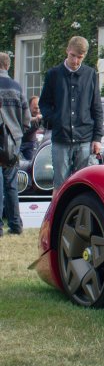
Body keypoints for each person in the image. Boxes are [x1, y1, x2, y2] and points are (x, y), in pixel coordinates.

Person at [39, 36, 103, 190]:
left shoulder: (90, 74)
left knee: (84, 185)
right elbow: (44, 103)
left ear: (84, 56)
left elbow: (96, 107)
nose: (75, 61)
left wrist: (97, 138)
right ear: (67, 51)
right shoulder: (53, 74)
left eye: (79, 57)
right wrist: (55, 119)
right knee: (60, 186)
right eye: (73, 56)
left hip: (85, 138)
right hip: (61, 138)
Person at [0, 52, 31, 235]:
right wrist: (18, 134)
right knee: (11, 183)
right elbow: (27, 119)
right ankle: (15, 224)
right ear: (8, 66)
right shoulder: (18, 87)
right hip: (14, 141)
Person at [20, 96, 42, 160]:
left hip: (31, 143)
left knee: (32, 161)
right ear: (29, 107)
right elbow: (25, 119)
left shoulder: (40, 115)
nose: (37, 110)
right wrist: (35, 118)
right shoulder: (24, 113)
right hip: (20, 142)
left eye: (38, 108)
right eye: (35, 108)